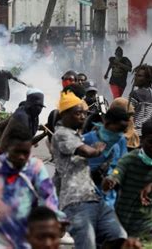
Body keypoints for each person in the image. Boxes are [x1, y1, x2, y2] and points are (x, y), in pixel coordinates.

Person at [51, 91, 126, 249]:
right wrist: (97, 151)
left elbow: (121, 165)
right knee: (87, 244)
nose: (83, 117)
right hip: (76, 200)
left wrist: (114, 175)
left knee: (118, 237)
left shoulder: (118, 139)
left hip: (97, 197)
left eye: (85, 113)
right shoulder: (66, 135)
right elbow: (86, 153)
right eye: (78, 113)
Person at [0, 124, 60, 248]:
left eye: (25, 153)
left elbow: (49, 196)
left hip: (26, 238)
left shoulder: (35, 167)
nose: (21, 157)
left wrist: (54, 220)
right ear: (7, 148)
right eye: (17, 152)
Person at [102, 119, 152, 240]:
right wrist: (110, 181)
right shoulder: (128, 160)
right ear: (142, 141)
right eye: (151, 142)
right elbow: (116, 174)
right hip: (126, 224)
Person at [82, 107, 129, 206]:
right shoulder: (86, 140)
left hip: (107, 199)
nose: (120, 134)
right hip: (84, 196)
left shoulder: (121, 141)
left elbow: (120, 166)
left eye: (123, 131)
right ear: (107, 123)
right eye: (118, 129)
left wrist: (113, 177)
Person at [130, 63, 152, 136]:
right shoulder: (149, 92)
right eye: (135, 75)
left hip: (136, 132)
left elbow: (129, 114)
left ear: (147, 79)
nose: (136, 77)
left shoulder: (135, 94)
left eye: (139, 76)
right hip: (147, 132)